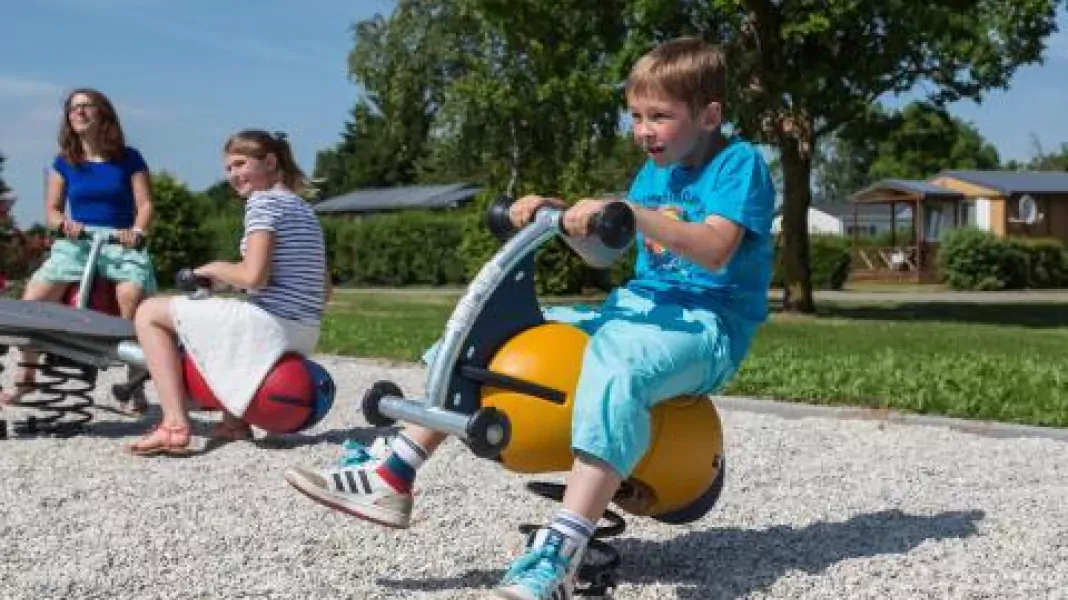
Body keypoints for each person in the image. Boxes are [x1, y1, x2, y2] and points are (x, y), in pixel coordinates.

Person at [285, 36, 776, 599]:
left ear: (709, 115)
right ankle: (394, 471)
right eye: (636, 116)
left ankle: (562, 553)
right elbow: (605, 253)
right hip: (635, 309)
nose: (644, 130)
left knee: (618, 370)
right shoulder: (653, 174)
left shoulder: (738, 165)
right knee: (493, 333)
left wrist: (632, 212)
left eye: (660, 116)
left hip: (707, 327)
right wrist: (556, 220)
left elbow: (715, 249)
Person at [124, 129, 327, 456]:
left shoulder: (263, 202)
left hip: (271, 326)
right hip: (305, 331)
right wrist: (227, 282)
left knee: (149, 312)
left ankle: (174, 424)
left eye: (240, 164)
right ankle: (234, 422)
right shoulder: (304, 209)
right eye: (228, 168)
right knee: (231, 313)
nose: (233, 175)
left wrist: (215, 268)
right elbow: (322, 286)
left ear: (270, 161)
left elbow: (254, 277)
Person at [0, 88, 156, 415]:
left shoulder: (129, 159)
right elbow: (53, 211)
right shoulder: (64, 162)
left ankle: (132, 380)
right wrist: (64, 225)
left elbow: (145, 205)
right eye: (73, 109)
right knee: (34, 297)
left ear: (103, 114)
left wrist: (137, 232)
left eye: (87, 106)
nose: (79, 112)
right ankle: (27, 373)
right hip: (79, 241)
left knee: (131, 293)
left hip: (120, 239)